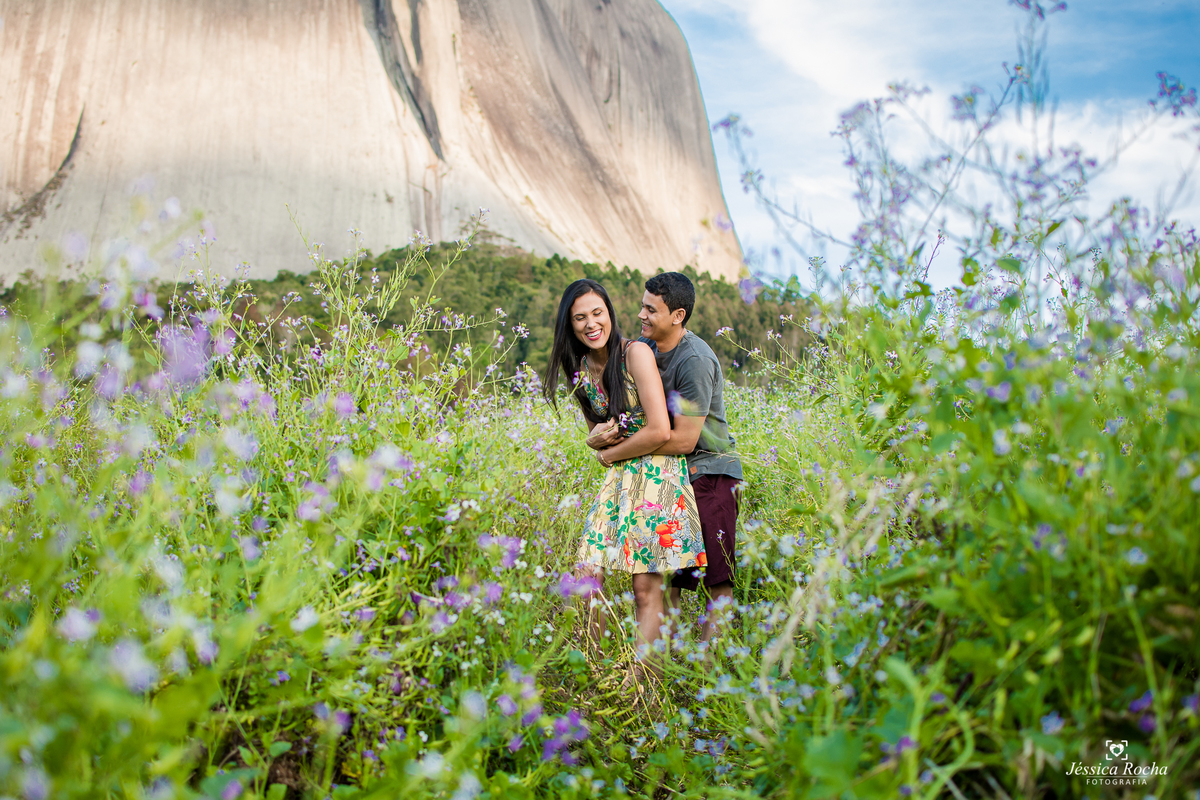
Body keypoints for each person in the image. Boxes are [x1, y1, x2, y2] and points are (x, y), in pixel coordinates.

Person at [542, 278, 705, 677]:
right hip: (618, 480)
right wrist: (593, 442)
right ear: (570, 324)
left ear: (610, 314)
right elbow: (600, 433)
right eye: (580, 317)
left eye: (598, 313)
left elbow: (660, 430)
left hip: (656, 475)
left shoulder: (635, 354)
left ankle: (641, 685)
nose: (591, 324)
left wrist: (606, 454)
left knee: (646, 588)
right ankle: (594, 673)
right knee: (586, 574)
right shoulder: (580, 370)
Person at [589, 272, 742, 643]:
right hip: (667, 475)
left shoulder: (695, 360)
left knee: (715, 581)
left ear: (677, 316)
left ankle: (710, 671)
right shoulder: (645, 348)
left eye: (650, 309)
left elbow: (685, 441)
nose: (641, 315)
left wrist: (614, 454)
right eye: (642, 306)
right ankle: (666, 667)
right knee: (666, 574)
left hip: (708, 473)